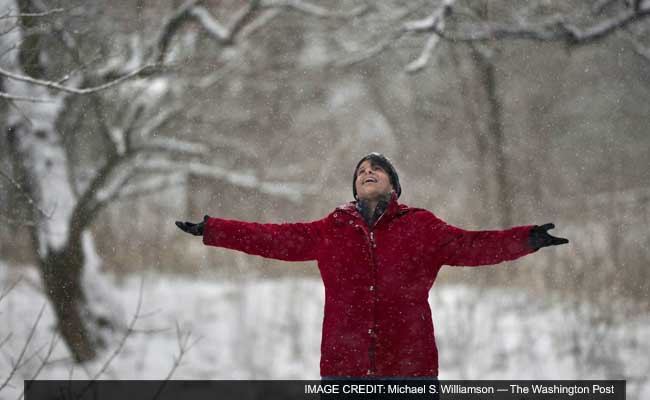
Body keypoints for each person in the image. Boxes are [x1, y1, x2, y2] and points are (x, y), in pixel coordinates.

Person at [176, 153, 569, 379]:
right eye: (362, 170)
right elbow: (273, 238)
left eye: (376, 168)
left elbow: (472, 245)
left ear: (393, 186)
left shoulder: (421, 226)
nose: (367, 171)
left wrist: (527, 238)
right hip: (343, 367)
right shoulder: (332, 229)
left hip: (409, 366)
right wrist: (214, 229)